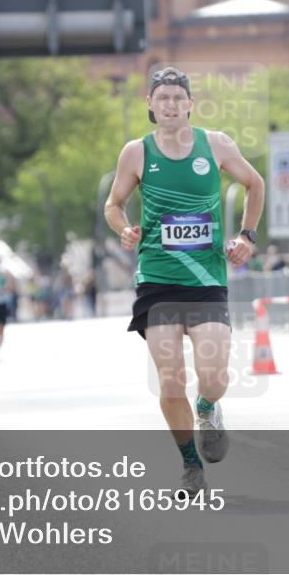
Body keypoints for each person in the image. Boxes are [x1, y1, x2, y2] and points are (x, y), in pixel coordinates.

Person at [104, 67, 265, 498]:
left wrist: (247, 236)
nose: (171, 104)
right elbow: (113, 204)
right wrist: (124, 228)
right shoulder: (136, 153)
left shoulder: (216, 145)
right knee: (170, 379)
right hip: (157, 279)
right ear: (151, 105)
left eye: (179, 97)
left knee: (212, 375)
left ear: (190, 104)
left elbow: (255, 184)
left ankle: (208, 408)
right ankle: (191, 467)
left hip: (206, 278)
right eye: (163, 97)